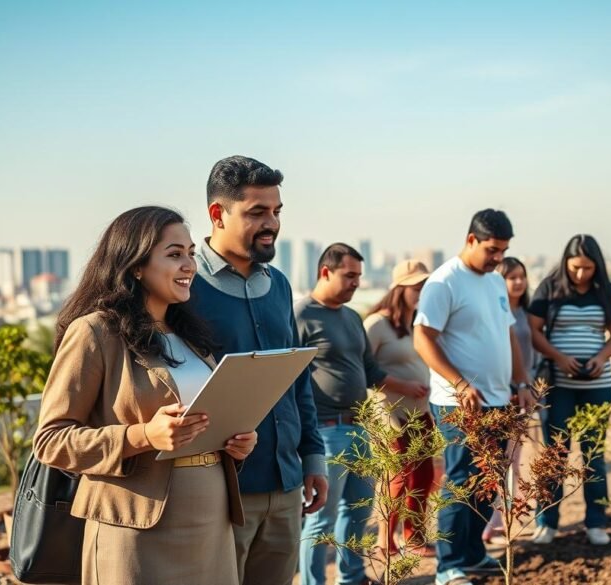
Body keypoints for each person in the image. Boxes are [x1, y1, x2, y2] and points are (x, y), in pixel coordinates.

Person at [33, 206, 258, 585]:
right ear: (135, 265)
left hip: (210, 525)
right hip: (136, 527)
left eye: (190, 253)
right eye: (174, 254)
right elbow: (50, 441)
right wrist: (142, 436)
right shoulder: (94, 333)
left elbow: (200, 425)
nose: (189, 264)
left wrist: (234, 444)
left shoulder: (191, 337)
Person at [189, 156, 327, 585]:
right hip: (220, 491)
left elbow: (296, 379)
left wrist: (313, 457)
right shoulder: (184, 286)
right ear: (217, 214)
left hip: (286, 487)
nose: (272, 223)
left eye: (276, 211)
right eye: (257, 212)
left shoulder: (280, 285)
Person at [413, 209, 536, 585]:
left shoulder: (495, 283)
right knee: (462, 479)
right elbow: (422, 338)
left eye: (504, 250)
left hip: (500, 398)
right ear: (471, 240)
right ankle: (448, 565)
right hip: (458, 402)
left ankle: (474, 553)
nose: (498, 257)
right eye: (493, 249)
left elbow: (508, 335)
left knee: (488, 478)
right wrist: (461, 383)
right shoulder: (444, 282)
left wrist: (521, 382)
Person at [296, 243, 428, 585]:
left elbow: (369, 369)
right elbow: (288, 379)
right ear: (326, 272)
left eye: (359, 276)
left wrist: (405, 384)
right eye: (349, 275)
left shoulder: (352, 317)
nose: (356, 283)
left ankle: (351, 578)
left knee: (358, 510)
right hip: (324, 431)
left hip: (357, 428)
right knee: (321, 520)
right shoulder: (301, 315)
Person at [528, 235, 611, 546]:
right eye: (575, 268)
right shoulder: (550, 287)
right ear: (565, 263)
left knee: (594, 454)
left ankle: (597, 522)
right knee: (555, 454)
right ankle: (547, 521)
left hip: (598, 386)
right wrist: (559, 357)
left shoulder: (606, 291)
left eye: (587, 268)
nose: (581, 274)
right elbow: (533, 329)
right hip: (560, 385)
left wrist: (600, 357)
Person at [363, 260, 436, 558]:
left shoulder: (418, 322)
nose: (421, 292)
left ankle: (415, 537)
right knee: (398, 477)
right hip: (391, 413)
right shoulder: (376, 324)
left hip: (422, 411)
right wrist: (402, 386)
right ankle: (385, 541)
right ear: (400, 288)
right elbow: (364, 369)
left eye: (424, 287)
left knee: (424, 475)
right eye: (416, 287)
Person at [482, 257, 534, 543]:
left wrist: (528, 385)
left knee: (514, 461)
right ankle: (493, 523)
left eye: (521, 276)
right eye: (510, 277)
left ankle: (504, 520)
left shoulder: (527, 313)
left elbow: (533, 351)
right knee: (497, 462)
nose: (517, 282)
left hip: (524, 394)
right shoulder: (493, 312)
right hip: (499, 393)